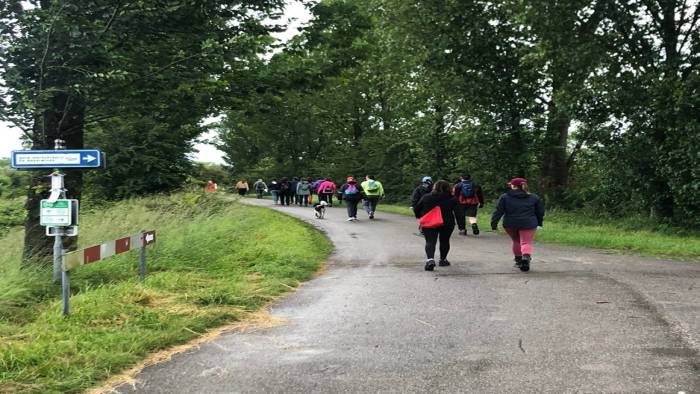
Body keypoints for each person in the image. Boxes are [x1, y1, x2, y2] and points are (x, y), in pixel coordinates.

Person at [491, 177, 545, 272]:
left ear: (513, 186)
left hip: (510, 223)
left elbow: (498, 211)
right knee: (525, 242)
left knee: (516, 241)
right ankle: (526, 258)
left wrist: (494, 223)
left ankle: (519, 260)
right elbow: (540, 212)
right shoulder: (534, 197)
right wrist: (539, 223)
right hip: (528, 223)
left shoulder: (505, 197)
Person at [414, 180, 458, 271]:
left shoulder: (426, 197)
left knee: (430, 241)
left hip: (430, 222)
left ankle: (430, 260)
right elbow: (459, 213)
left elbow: (417, 208)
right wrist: (462, 226)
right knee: (445, 241)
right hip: (447, 222)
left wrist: (419, 216)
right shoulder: (453, 198)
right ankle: (443, 260)